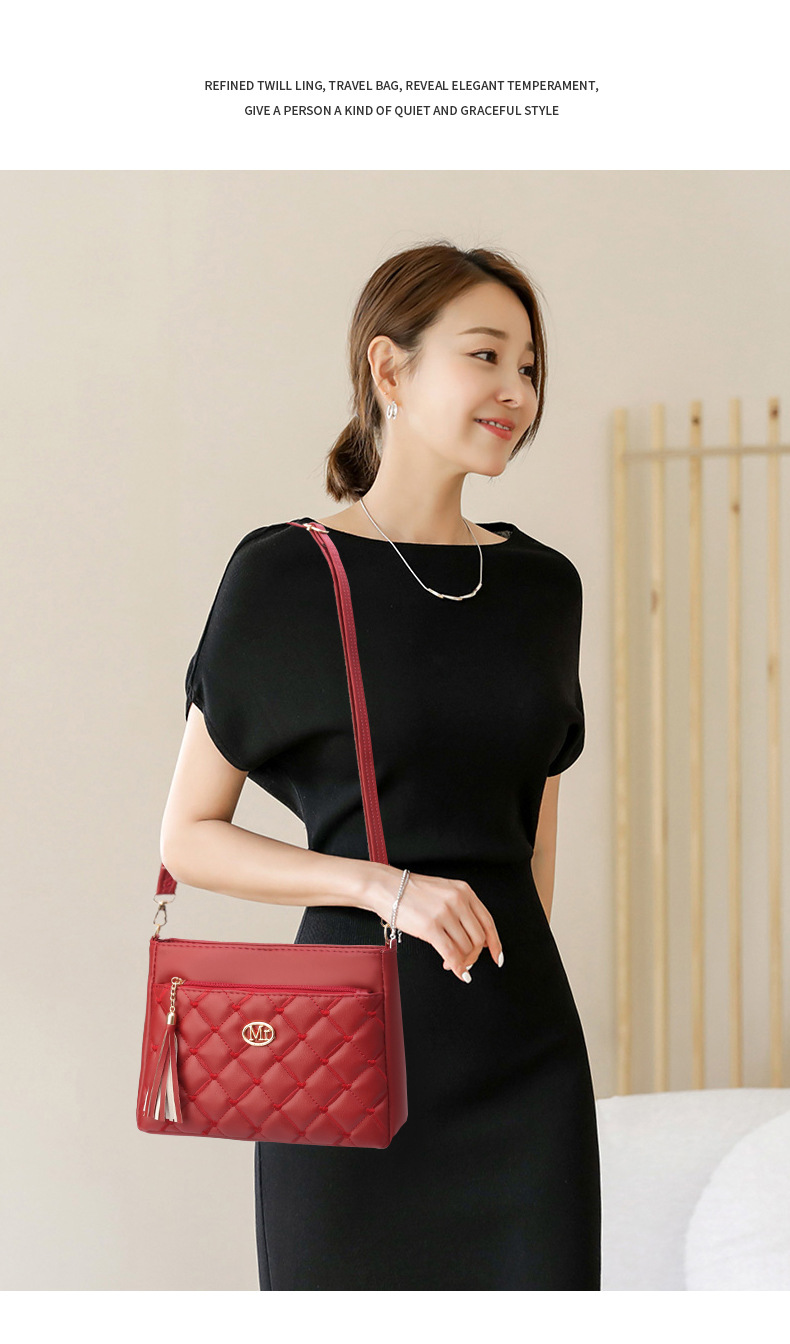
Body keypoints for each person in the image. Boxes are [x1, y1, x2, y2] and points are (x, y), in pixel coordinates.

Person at [160, 240, 601, 1290]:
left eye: (530, 366)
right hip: (344, 1054)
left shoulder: (545, 589)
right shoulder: (286, 575)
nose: (517, 390)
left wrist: (502, 992)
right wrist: (382, 886)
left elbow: (532, 846)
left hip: (521, 1059)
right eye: (485, 356)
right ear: (389, 369)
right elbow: (189, 837)